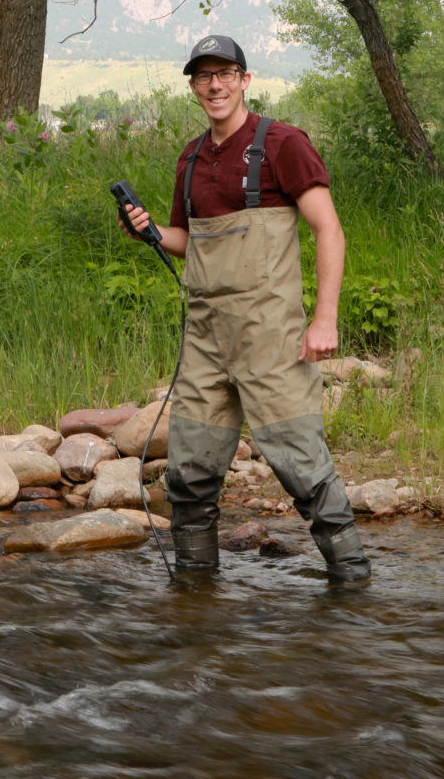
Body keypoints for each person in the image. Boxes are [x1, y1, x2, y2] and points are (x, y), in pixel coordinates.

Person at [120, 34, 371, 584]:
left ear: (244, 80)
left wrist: (324, 318)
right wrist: (151, 233)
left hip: (271, 336)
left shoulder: (282, 144)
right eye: (204, 76)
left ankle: (354, 584)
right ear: (192, 86)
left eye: (225, 73)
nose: (215, 85)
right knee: (189, 476)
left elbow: (329, 229)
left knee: (302, 469)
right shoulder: (190, 158)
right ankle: (195, 594)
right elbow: (188, 240)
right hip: (204, 341)